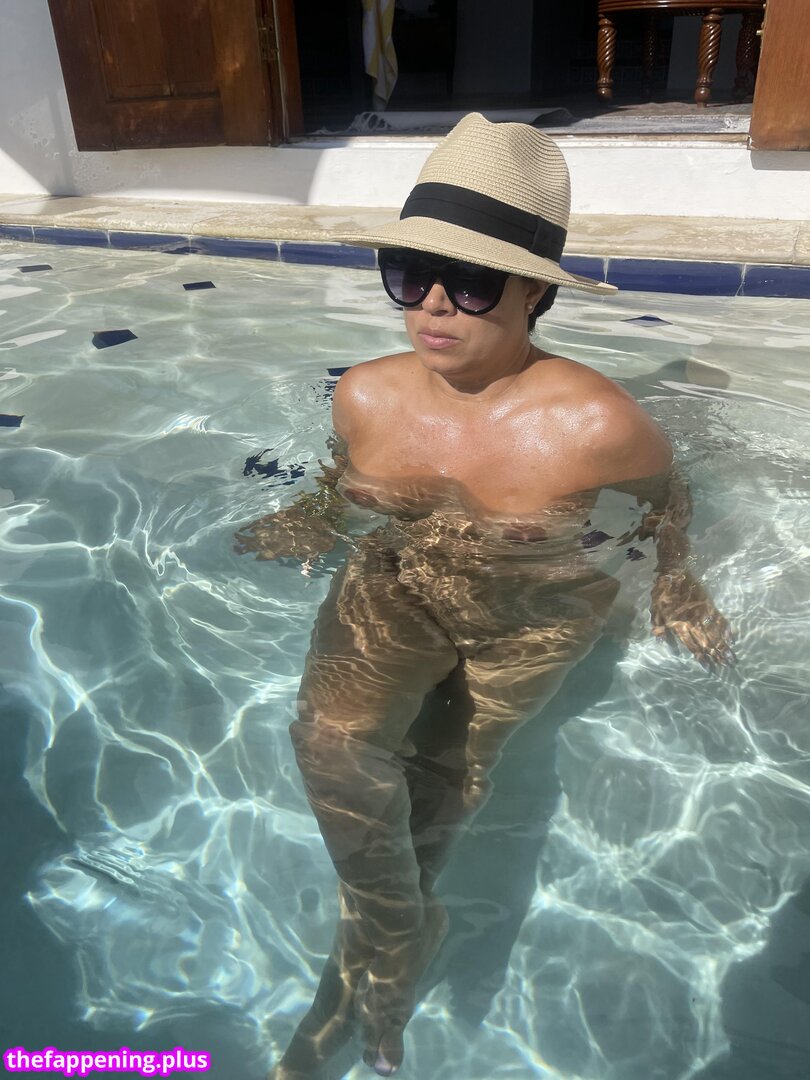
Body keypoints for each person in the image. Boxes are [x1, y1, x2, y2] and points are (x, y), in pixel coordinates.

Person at [236, 113, 734, 1078]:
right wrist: (313, 514)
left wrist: (679, 580)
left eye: (470, 282)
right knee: (330, 744)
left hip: (532, 613)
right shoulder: (365, 395)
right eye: (410, 272)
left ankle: (350, 991)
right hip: (399, 582)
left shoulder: (598, 426)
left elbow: (668, 501)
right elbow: (341, 479)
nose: (433, 304)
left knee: (436, 790)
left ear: (535, 291)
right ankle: (400, 930)